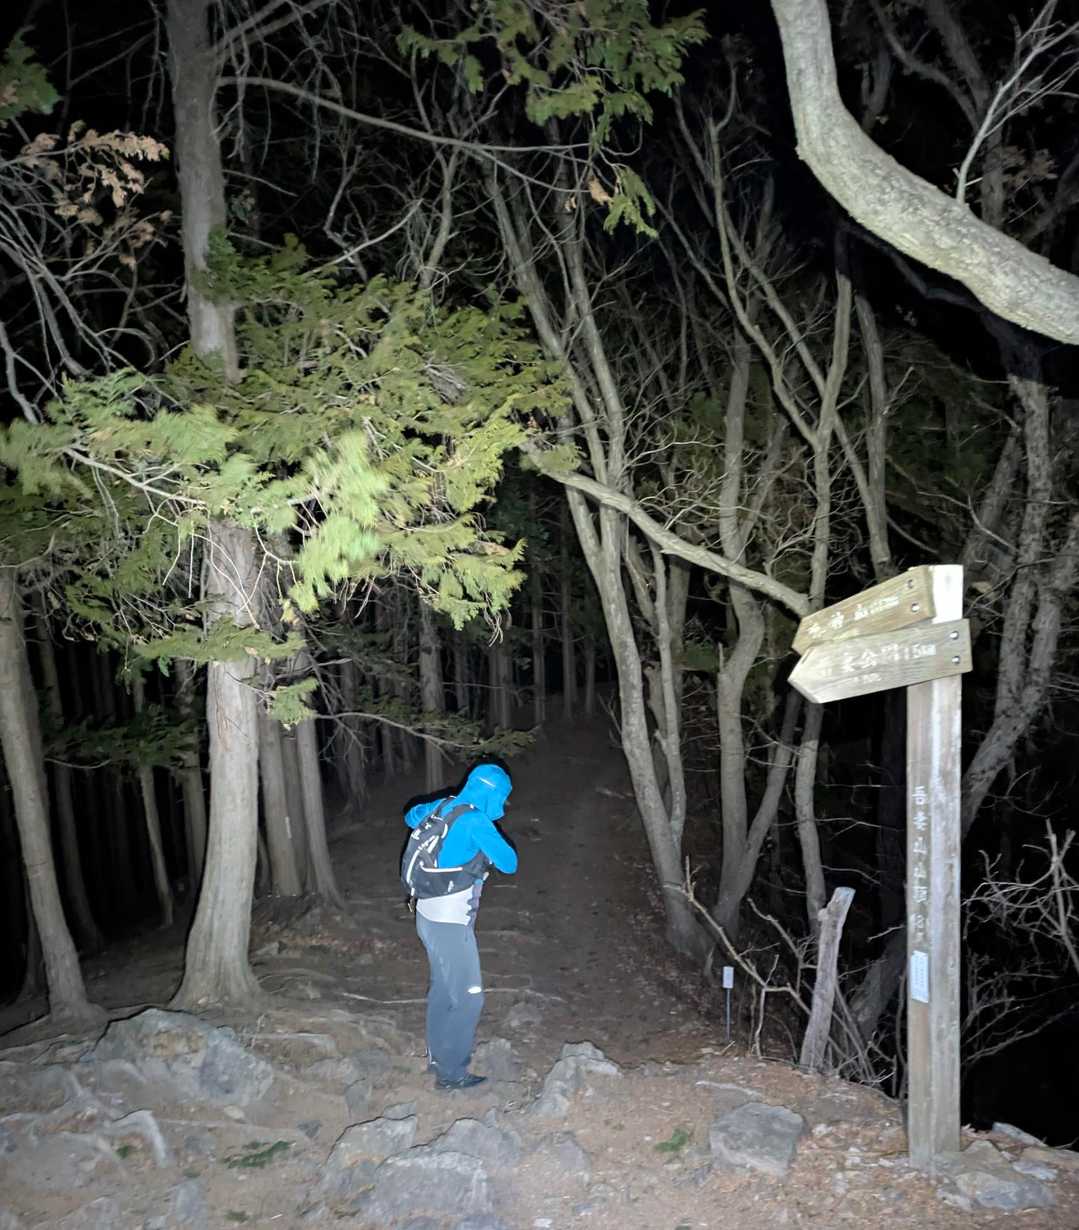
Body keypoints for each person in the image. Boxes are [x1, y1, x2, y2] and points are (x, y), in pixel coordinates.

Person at [404, 763, 517, 1090]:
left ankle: (437, 1058)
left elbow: (410, 816)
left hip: (425, 916)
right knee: (469, 998)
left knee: (442, 988)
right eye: (502, 797)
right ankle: (452, 1074)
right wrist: (485, 836)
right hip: (450, 924)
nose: (503, 805)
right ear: (492, 793)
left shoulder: (443, 806)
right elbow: (510, 863)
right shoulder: (475, 822)